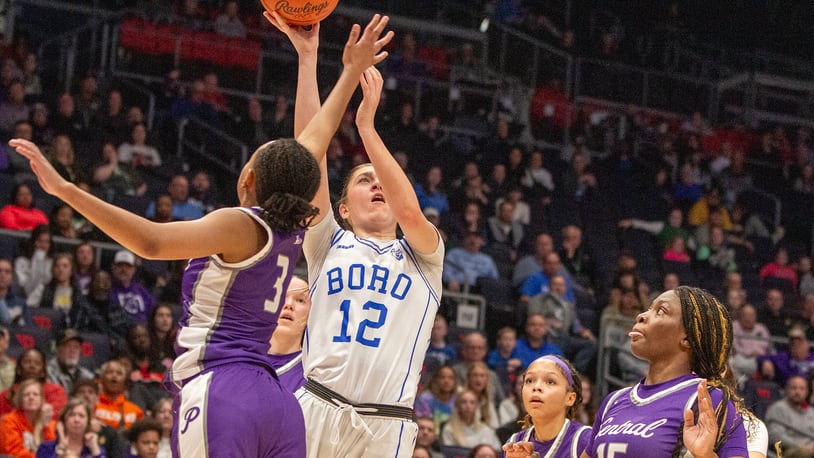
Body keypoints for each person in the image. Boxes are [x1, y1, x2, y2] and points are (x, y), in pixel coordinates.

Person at [11, 10, 394, 458]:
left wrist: (65, 189)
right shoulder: (295, 226)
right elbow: (315, 140)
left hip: (223, 389)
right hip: (278, 406)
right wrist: (336, 67)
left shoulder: (240, 223)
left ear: (249, 177)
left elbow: (150, 242)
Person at [285, 15, 441, 455]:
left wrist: (367, 129)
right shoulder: (327, 241)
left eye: (383, 180)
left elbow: (409, 209)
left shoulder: (426, 256)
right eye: (363, 180)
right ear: (343, 207)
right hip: (315, 405)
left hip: (384, 423)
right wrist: (308, 57)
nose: (377, 185)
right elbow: (307, 153)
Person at [582, 286, 748, 457]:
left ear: (688, 338)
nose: (641, 316)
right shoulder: (614, 400)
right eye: (648, 308)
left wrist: (705, 455)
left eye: (660, 311)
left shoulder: (708, 399)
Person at [502, 355, 591, 457]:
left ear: (570, 398)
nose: (536, 387)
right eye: (529, 381)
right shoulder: (514, 443)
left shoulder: (585, 440)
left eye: (550, 381)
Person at [266, 275, 311, 393]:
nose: (289, 305)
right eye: (281, 297)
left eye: (300, 300)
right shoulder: (242, 359)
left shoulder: (314, 373)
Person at [0, 348, 67, 417]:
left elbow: (55, 417)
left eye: (37, 363)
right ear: (18, 369)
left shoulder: (56, 391)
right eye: (27, 362)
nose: (32, 366)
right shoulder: (5, 396)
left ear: (43, 372)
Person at [0, 379, 56, 458]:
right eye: (26, 395)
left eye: (35, 394)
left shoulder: (50, 423)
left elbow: (53, 450)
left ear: (42, 399)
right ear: (20, 399)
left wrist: (45, 427)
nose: (31, 397)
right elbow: (14, 452)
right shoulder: (8, 421)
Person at [35, 397, 105, 458]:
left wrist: (95, 449)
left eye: (81, 416)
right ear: (64, 420)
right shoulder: (47, 448)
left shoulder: (95, 450)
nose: (76, 420)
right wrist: (60, 448)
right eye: (71, 415)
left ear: (88, 421)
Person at [764, 375, 814, 457]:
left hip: (811, 450)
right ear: (787, 390)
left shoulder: (811, 412)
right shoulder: (778, 408)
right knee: (803, 453)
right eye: (794, 388)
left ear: (807, 392)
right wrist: (802, 447)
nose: (797, 392)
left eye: (802, 389)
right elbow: (776, 437)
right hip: (788, 451)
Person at [93, 359, 143, 431]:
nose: (114, 375)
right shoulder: (93, 406)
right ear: (101, 379)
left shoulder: (135, 411)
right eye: (110, 372)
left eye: (119, 373)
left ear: (124, 381)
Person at [46, 329, 95, 395]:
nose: (73, 351)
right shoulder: (47, 372)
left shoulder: (86, 375)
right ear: (57, 350)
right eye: (68, 346)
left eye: (76, 347)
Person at [414, 365, 458, 433]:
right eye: (442, 377)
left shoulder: (457, 399)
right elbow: (422, 423)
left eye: (451, 378)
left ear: (455, 381)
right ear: (435, 379)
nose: (446, 381)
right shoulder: (425, 398)